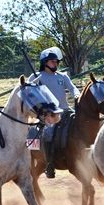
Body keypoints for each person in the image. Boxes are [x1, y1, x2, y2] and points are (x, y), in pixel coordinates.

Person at [29, 46, 80, 178]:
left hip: (66, 110)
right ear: (45, 62)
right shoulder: (36, 77)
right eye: (52, 61)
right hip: (49, 114)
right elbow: (28, 94)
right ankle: (50, 164)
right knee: (49, 134)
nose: (55, 64)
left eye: (56, 61)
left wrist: (76, 94)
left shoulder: (62, 76)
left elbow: (73, 88)